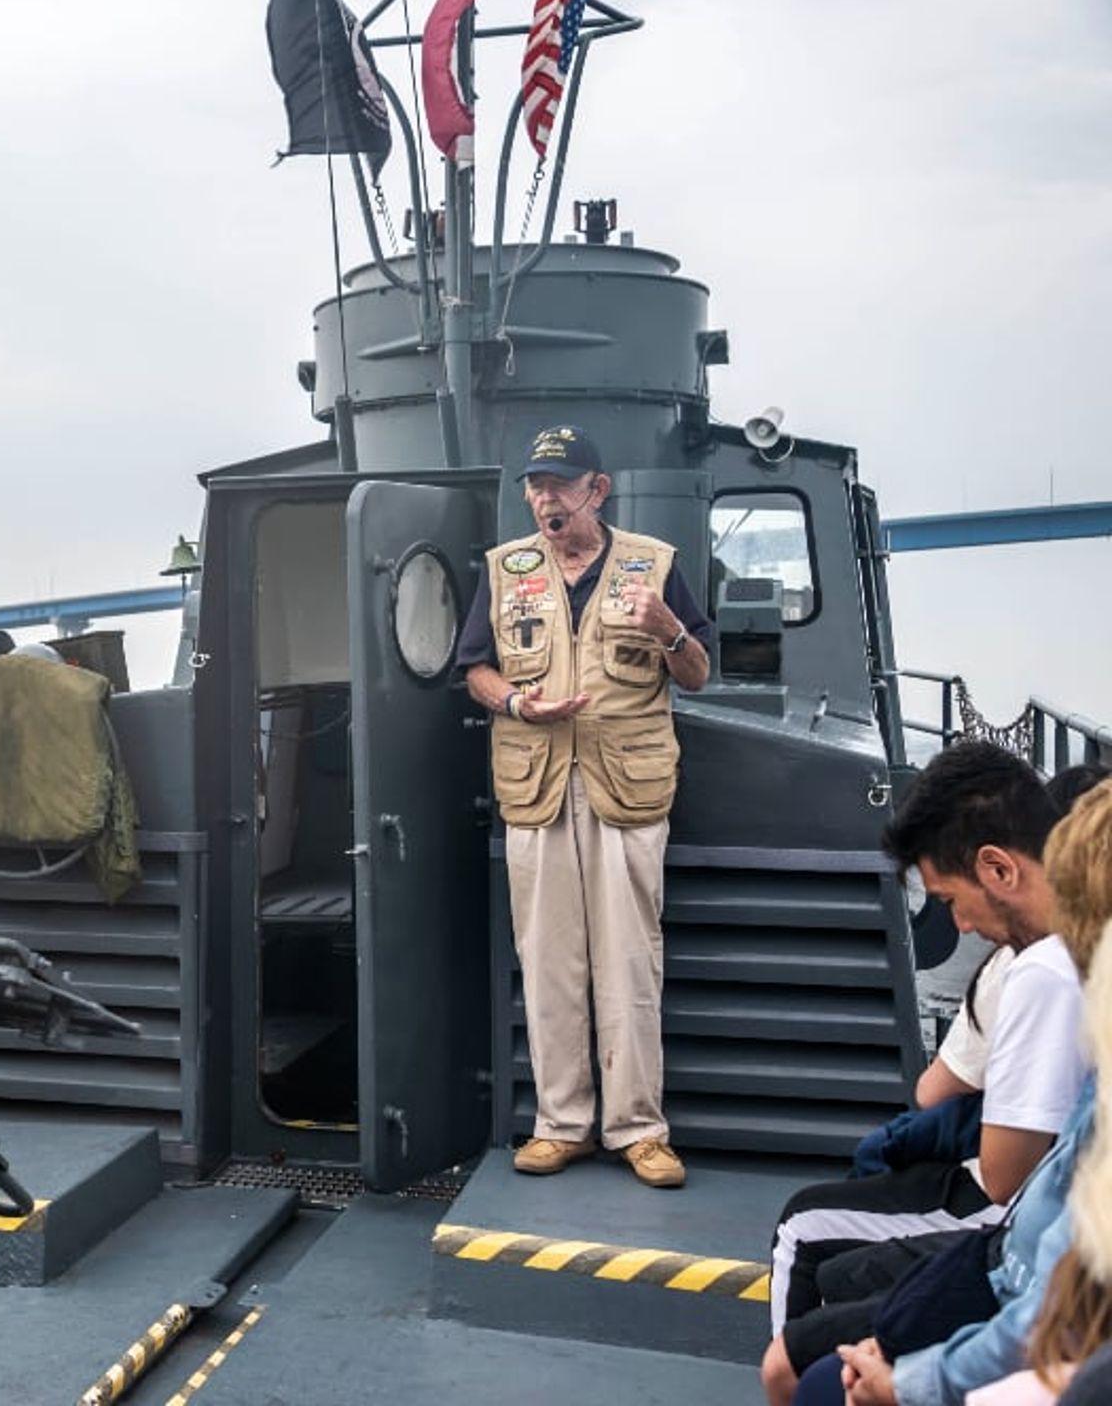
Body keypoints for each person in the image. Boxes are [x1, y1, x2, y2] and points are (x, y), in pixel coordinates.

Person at [762, 744, 1089, 1400]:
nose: (962, 925)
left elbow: (1005, 1177)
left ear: (998, 868)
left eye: (953, 902)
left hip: (1014, 1253)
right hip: (1037, 1256)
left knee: (802, 1254)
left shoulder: (1040, 970)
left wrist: (914, 1380)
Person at [455, 423, 711, 1186]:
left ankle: (640, 1131)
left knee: (631, 962)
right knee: (548, 964)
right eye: (535, 486)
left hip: (626, 790)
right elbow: (474, 669)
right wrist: (516, 703)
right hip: (537, 788)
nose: (545, 499)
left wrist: (669, 631)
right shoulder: (505, 571)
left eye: (559, 485)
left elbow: (698, 672)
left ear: (596, 491)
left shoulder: (653, 565)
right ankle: (560, 1125)